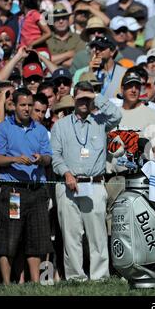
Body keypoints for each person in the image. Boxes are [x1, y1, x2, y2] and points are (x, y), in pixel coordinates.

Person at [51, 81, 121, 281]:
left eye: (87, 98)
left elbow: (117, 115)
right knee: (71, 235)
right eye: (80, 98)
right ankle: (75, 277)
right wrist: (66, 173)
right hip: (68, 185)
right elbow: (55, 155)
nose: (84, 102)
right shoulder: (60, 125)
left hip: (95, 184)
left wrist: (95, 98)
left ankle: (100, 276)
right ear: (73, 99)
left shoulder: (101, 122)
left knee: (97, 234)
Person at [0, 88, 53, 285]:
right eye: (23, 105)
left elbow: (48, 157)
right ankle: (8, 284)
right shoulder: (2, 128)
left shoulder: (41, 130)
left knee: (38, 238)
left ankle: (37, 283)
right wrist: (16, 159)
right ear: (14, 106)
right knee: (9, 237)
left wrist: (41, 158)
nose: (27, 109)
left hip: (37, 190)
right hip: (13, 191)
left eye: (29, 105)